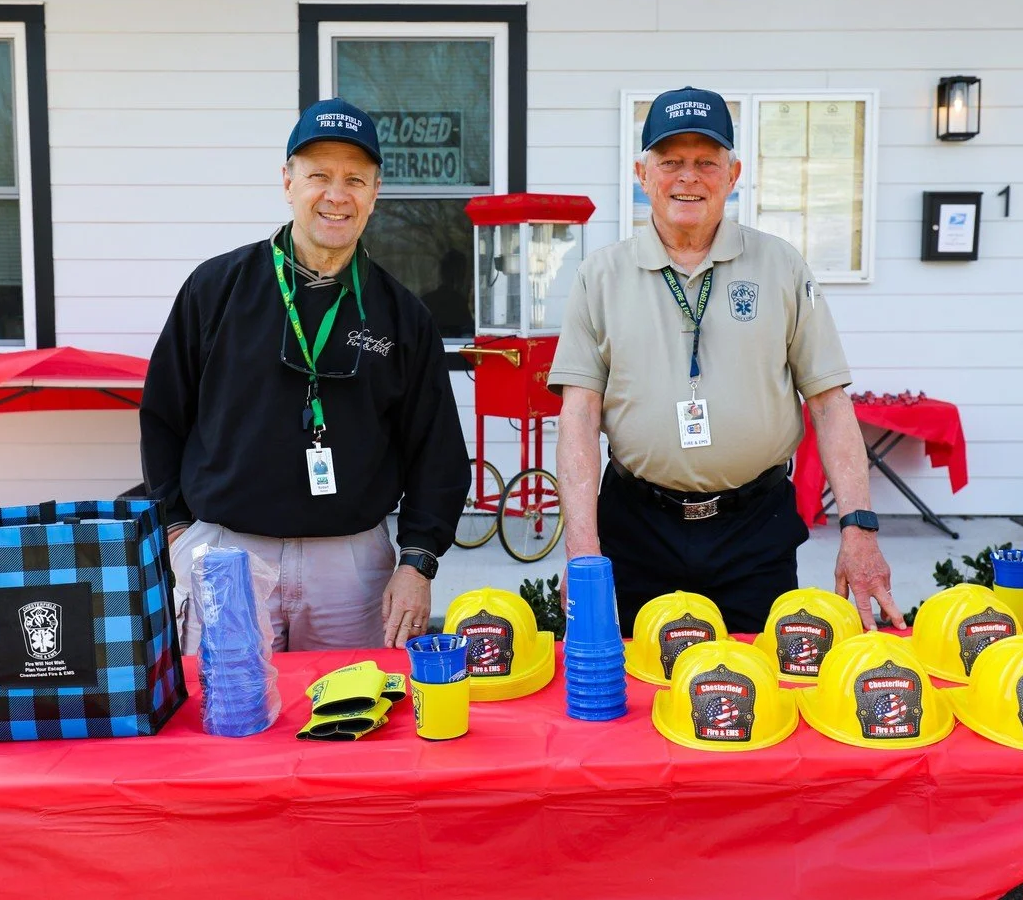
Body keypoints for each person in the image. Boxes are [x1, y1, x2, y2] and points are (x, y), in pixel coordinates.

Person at [548, 86, 902, 636]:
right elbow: (578, 416)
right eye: (671, 162)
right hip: (637, 529)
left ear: (733, 175)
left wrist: (859, 528)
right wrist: (582, 550)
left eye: (706, 162)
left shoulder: (781, 266)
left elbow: (830, 404)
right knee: (641, 683)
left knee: (759, 681)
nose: (688, 177)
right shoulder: (600, 276)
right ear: (643, 175)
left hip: (755, 530)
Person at [140, 97, 471, 653]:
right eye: (319, 175)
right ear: (288, 182)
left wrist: (418, 561)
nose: (336, 195)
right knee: (230, 705)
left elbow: (436, 452)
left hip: (353, 570)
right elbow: (163, 416)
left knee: (353, 705)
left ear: (375, 193)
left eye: (354, 180)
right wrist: (176, 530)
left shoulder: (402, 316)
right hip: (228, 553)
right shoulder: (215, 289)